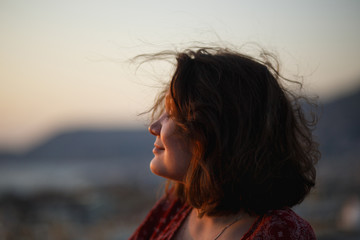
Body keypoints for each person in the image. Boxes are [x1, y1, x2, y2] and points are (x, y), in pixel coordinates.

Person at [129, 46, 320, 240]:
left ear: (217, 131)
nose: (153, 127)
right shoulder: (174, 206)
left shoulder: (282, 233)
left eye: (172, 114)